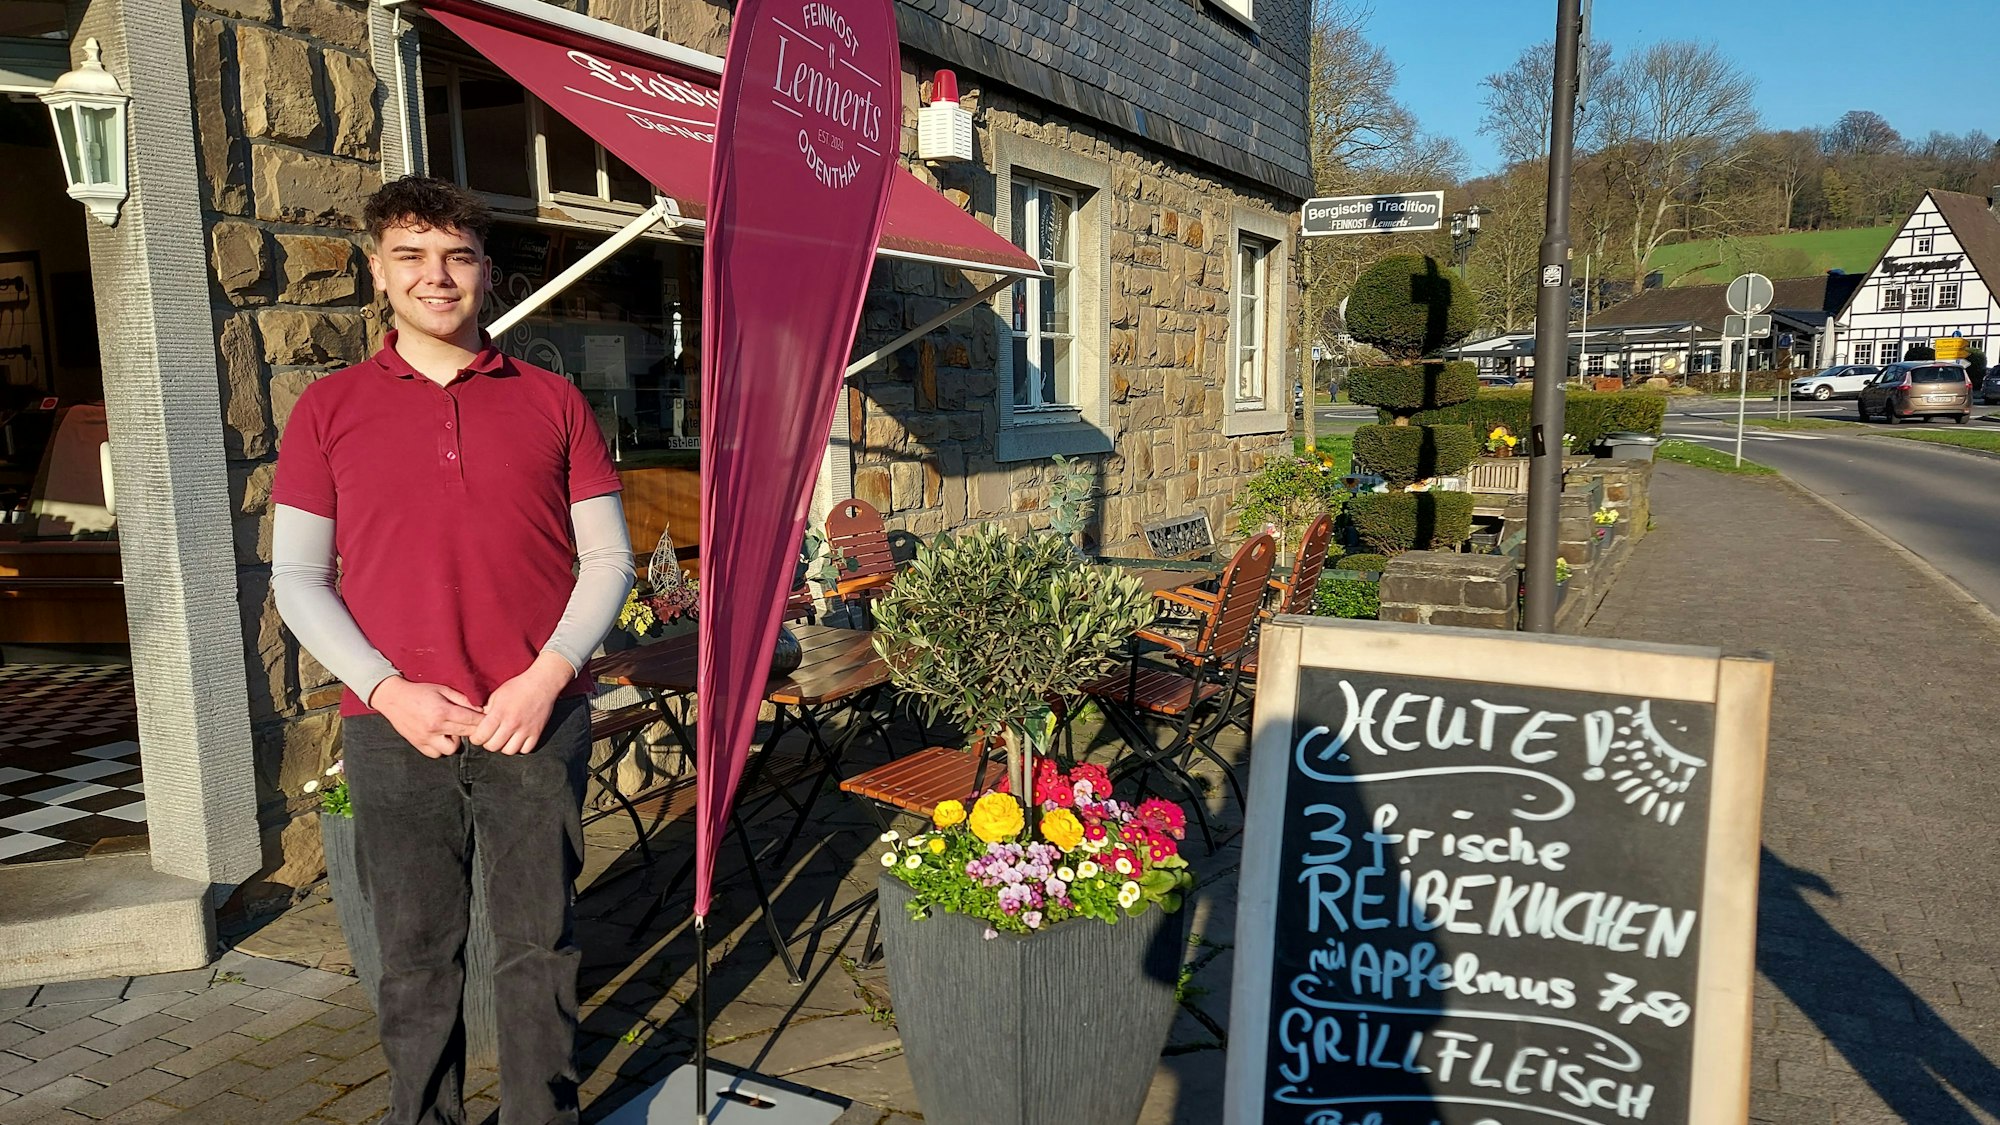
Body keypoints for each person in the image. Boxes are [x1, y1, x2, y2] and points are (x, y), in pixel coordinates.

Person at [272, 176, 634, 1125]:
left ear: (486, 272)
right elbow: (297, 579)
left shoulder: (555, 402)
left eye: (458, 256)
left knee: (537, 947)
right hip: (397, 729)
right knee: (417, 954)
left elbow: (609, 559)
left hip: (534, 718)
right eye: (412, 255)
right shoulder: (328, 408)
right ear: (379, 273)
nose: (437, 276)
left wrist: (547, 674)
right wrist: (387, 691)